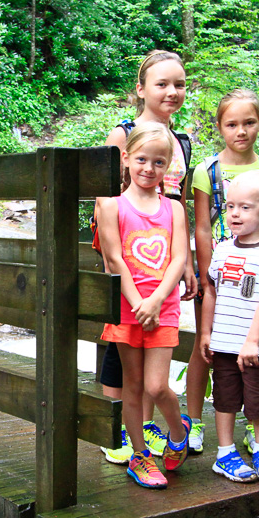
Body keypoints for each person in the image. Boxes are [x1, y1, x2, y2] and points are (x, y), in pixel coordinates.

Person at [98, 50, 199, 465]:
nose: (171, 91)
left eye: (179, 84)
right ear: (141, 89)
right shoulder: (124, 134)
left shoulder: (182, 142)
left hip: (164, 252)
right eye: (161, 83)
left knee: (151, 346)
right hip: (123, 247)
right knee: (118, 342)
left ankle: (149, 426)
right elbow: (102, 194)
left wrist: (187, 260)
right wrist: (109, 259)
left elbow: (181, 201)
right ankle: (117, 426)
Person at [189, 88, 259, 456]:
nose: (240, 131)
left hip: (256, 274)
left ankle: (253, 427)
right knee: (208, 343)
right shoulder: (207, 171)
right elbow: (200, 226)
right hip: (217, 274)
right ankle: (194, 421)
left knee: (254, 344)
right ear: (220, 127)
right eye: (232, 124)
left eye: (249, 122)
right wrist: (203, 273)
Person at [198, 170, 259, 482]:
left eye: (246, 207)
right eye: (231, 206)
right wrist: (206, 332)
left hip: (258, 346)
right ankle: (225, 453)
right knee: (225, 398)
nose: (235, 213)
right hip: (224, 342)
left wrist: (251, 341)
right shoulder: (223, 249)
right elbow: (211, 290)